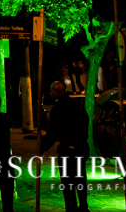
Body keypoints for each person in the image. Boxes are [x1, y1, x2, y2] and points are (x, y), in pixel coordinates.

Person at [42, 81, 90, 212]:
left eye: (52, 91)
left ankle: (72, 208)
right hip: (80, 148)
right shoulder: (77, 105)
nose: (50, 94)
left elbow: (52, 133)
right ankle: (83, 206)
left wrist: (42, 148)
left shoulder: (57, 109)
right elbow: (85, 121)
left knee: (68, 183)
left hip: (68, 151)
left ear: (58, 92)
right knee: (80, 180)